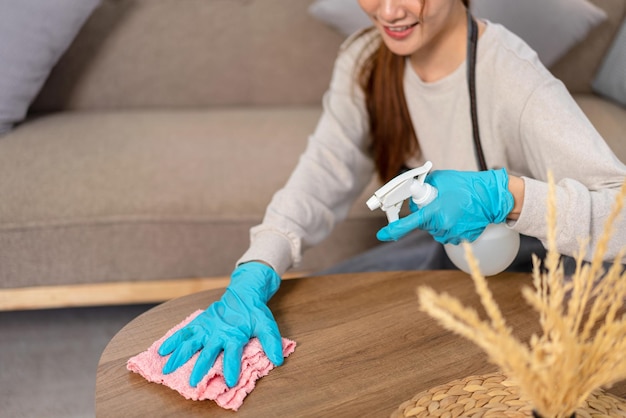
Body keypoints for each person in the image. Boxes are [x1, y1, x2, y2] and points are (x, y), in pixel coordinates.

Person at [158, 0, 626, 388]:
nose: (387, 10)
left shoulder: (513, 77)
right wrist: (257, 266)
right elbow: (319, 178)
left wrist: (508, 194)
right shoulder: (365, 59)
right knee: (321, 340)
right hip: (453, 257)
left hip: (550, 274)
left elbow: (620, 213)